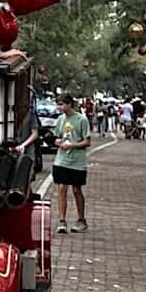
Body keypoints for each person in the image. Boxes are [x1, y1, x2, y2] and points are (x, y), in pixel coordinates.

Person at [51, 91, 93, 232]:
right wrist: (58, 141)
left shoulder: (81, 119)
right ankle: (62, 220)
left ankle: (81, 219)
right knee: (62, 188)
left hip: (77, 161)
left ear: (69, 104)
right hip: (62, 159)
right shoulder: (61, 119)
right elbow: (57, 136)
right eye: (58, 104)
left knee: (76, 189)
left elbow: (87, 141)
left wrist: (72, 145)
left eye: (62, 104)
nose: (59, 107)